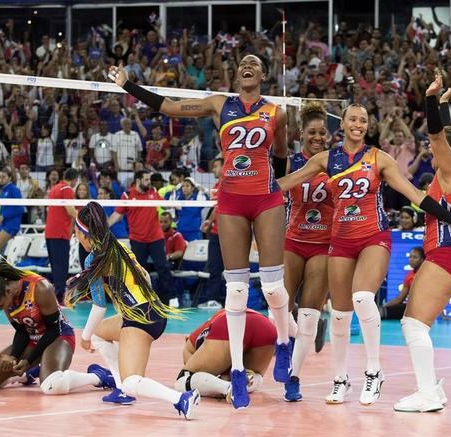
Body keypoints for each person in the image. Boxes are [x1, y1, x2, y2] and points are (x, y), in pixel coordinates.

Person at [109, 54, 292, 410]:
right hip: (231, 201)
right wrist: (128, 86)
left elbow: (282, 157)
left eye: (254, 63)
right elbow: (171, 107)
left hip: (266, 197)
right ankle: (237, 371)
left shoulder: (278, 112)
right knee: (236, 289)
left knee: (271, 286)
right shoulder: (218, 104)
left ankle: (284, 342)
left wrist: (278, 190)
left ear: (264, 74)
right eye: (242, 63)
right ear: (237, 74)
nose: (247, 66)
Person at [277, 99, 451, 406]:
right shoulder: (326, 159)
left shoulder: (379, 158)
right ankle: (341, 378)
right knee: (341, 316)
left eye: (363, 120)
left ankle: (373, 371)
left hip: (374, 236)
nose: (358, 124)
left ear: (368, 126)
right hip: (340, 239)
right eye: (352, 119)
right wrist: (240, 193)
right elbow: (287, 182)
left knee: (363, 299)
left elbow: (413, 194)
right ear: (340, 124)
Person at [66, 202, 200, 419]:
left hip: (140, 319)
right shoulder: (119, 247)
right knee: (102, 333)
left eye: (76, 232)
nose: (75, 236)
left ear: (83, 233)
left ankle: (181, 399)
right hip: (150, 310)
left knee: (133, 381)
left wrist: (84, 336)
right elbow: (145, 276)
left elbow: (99, 306)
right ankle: (120, 388)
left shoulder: (95, 258)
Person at [394, 72, 451, 413]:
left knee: (413, 323)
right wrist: (442, 104)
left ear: (449, 153)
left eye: (435, 148)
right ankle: (432, 391)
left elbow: (437, 134)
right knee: (415, 322)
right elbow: (442, 134)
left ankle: (427, 393)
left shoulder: (449, 169)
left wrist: (430, 98)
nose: (430, 150)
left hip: (448, 252)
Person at [0, 260, 116, 395]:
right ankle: (27, 375)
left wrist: (28, 360)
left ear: (8, 291)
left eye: (0, 306)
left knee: (52, 386)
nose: (0, 310)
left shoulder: (40, 287)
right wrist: (13, 357)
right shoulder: (4, 294)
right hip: (32, 339)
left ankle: (98, 376)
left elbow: (53, 329)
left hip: (58, 337)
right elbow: (21, 331)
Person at [281, 102, 334, 402]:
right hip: (293, 240)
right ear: (301, 133)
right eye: (312, 132)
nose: (317, 137)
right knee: (280, 307)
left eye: (322, 132)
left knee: (309, 313)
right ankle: (284, 345)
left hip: (323, 245)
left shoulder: (337, 162)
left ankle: (294, 378)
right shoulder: (290, 163)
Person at [108, 170, 176, 305]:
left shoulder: (153, 192)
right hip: (137, 239)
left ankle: (169, 300)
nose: (149, 182)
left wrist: (180, 204)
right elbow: (117, 215)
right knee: (138, 270)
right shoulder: (127, 195)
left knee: (162, 267)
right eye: (146, 179)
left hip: (155, 238)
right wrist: (104, 227)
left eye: (149, 180)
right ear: (138, 180)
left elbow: (166, 204)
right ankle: (141, 299)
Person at [175, 309, 276, 400]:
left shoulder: (190, 345)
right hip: (266, 327)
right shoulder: (208, 326)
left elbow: (195, 373)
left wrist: (213, 386)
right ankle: (237, 385)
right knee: (252, 375)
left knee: (182, 381)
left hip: (230, 325)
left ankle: (228, 388)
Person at [45, 168, 78, 304]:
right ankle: (60, 298)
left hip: (50, 233)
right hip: (60, 233)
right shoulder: (67, 189)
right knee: (61, 267)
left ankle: (56, 296)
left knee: (55, 266)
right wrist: (86, 219)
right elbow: (70, 210)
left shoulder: (54, 188)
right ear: (75, 179)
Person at [199, 158, 225, 309]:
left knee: (232, 270)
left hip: (230, 234)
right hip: (215, 233)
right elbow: (217, 207)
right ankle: (213, 300)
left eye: (216, 166)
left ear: (224, 167)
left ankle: (234, 301)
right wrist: (209, 222)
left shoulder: (229, 183)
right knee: (214, 268)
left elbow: (220, 206)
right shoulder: (216, 185)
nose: (213, 169)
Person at [380, 247, 425, 320]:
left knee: (382, 312)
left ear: (422, 260)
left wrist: (442, 315)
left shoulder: (427, 274)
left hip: (424, 310)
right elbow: (400, 298)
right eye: (410, 257)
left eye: (415, 257)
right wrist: (384, 306)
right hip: (411, 308)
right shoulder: (409, 275)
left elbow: (436, 295)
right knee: (383, 311)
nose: (411, 260)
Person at [0, 168, 24, 262]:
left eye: (4, 177)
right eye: (0, 177)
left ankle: (6, 273)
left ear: (10, 178)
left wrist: (4, 216)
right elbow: (2, 211)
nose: (1, 179)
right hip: (4, 225)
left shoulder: (14, 190)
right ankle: (3, 273)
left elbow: (20, 208)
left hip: (12, 225)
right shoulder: (2, 192)